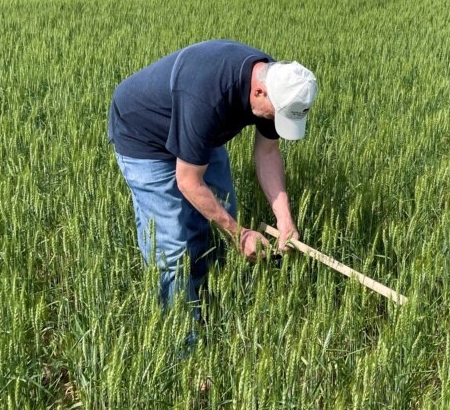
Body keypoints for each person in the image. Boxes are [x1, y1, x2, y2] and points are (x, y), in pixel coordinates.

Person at [108, 39, 318, 318]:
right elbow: (188, 181)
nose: (276, 123)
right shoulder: (208, 96)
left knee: (222, 209)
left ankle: (209, 293)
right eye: (277, 116)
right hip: (144, 135)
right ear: (258, 92)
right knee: (171, 247)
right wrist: (240, 235)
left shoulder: (279, 86)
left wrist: (284, 219)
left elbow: (267, 153)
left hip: (198, 129)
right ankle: (181, 339)